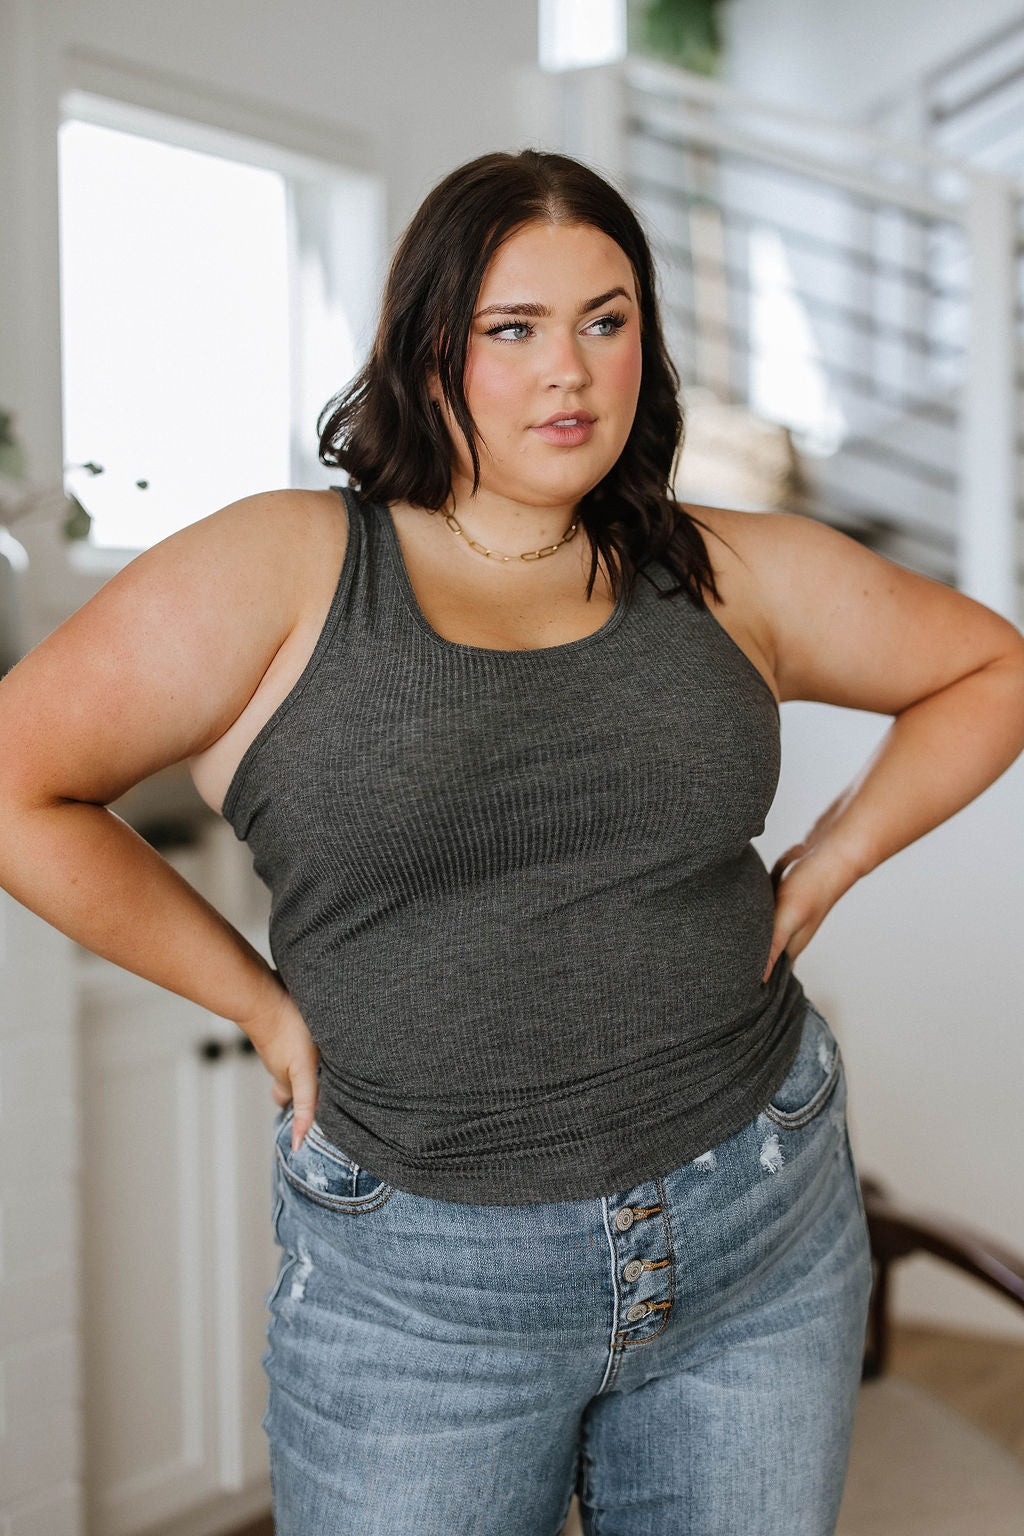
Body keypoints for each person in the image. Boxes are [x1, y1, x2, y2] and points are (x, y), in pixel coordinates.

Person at [1, 148, 1023, 1536]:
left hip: (758, 1223)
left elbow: (990, 667)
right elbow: (18, 781)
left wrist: (833, 859)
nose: (572, 372)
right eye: (515, 328)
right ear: (429, 346)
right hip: (422, 1292)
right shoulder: (284, 566)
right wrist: (253, 999)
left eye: (607, 320)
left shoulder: (726, 569)